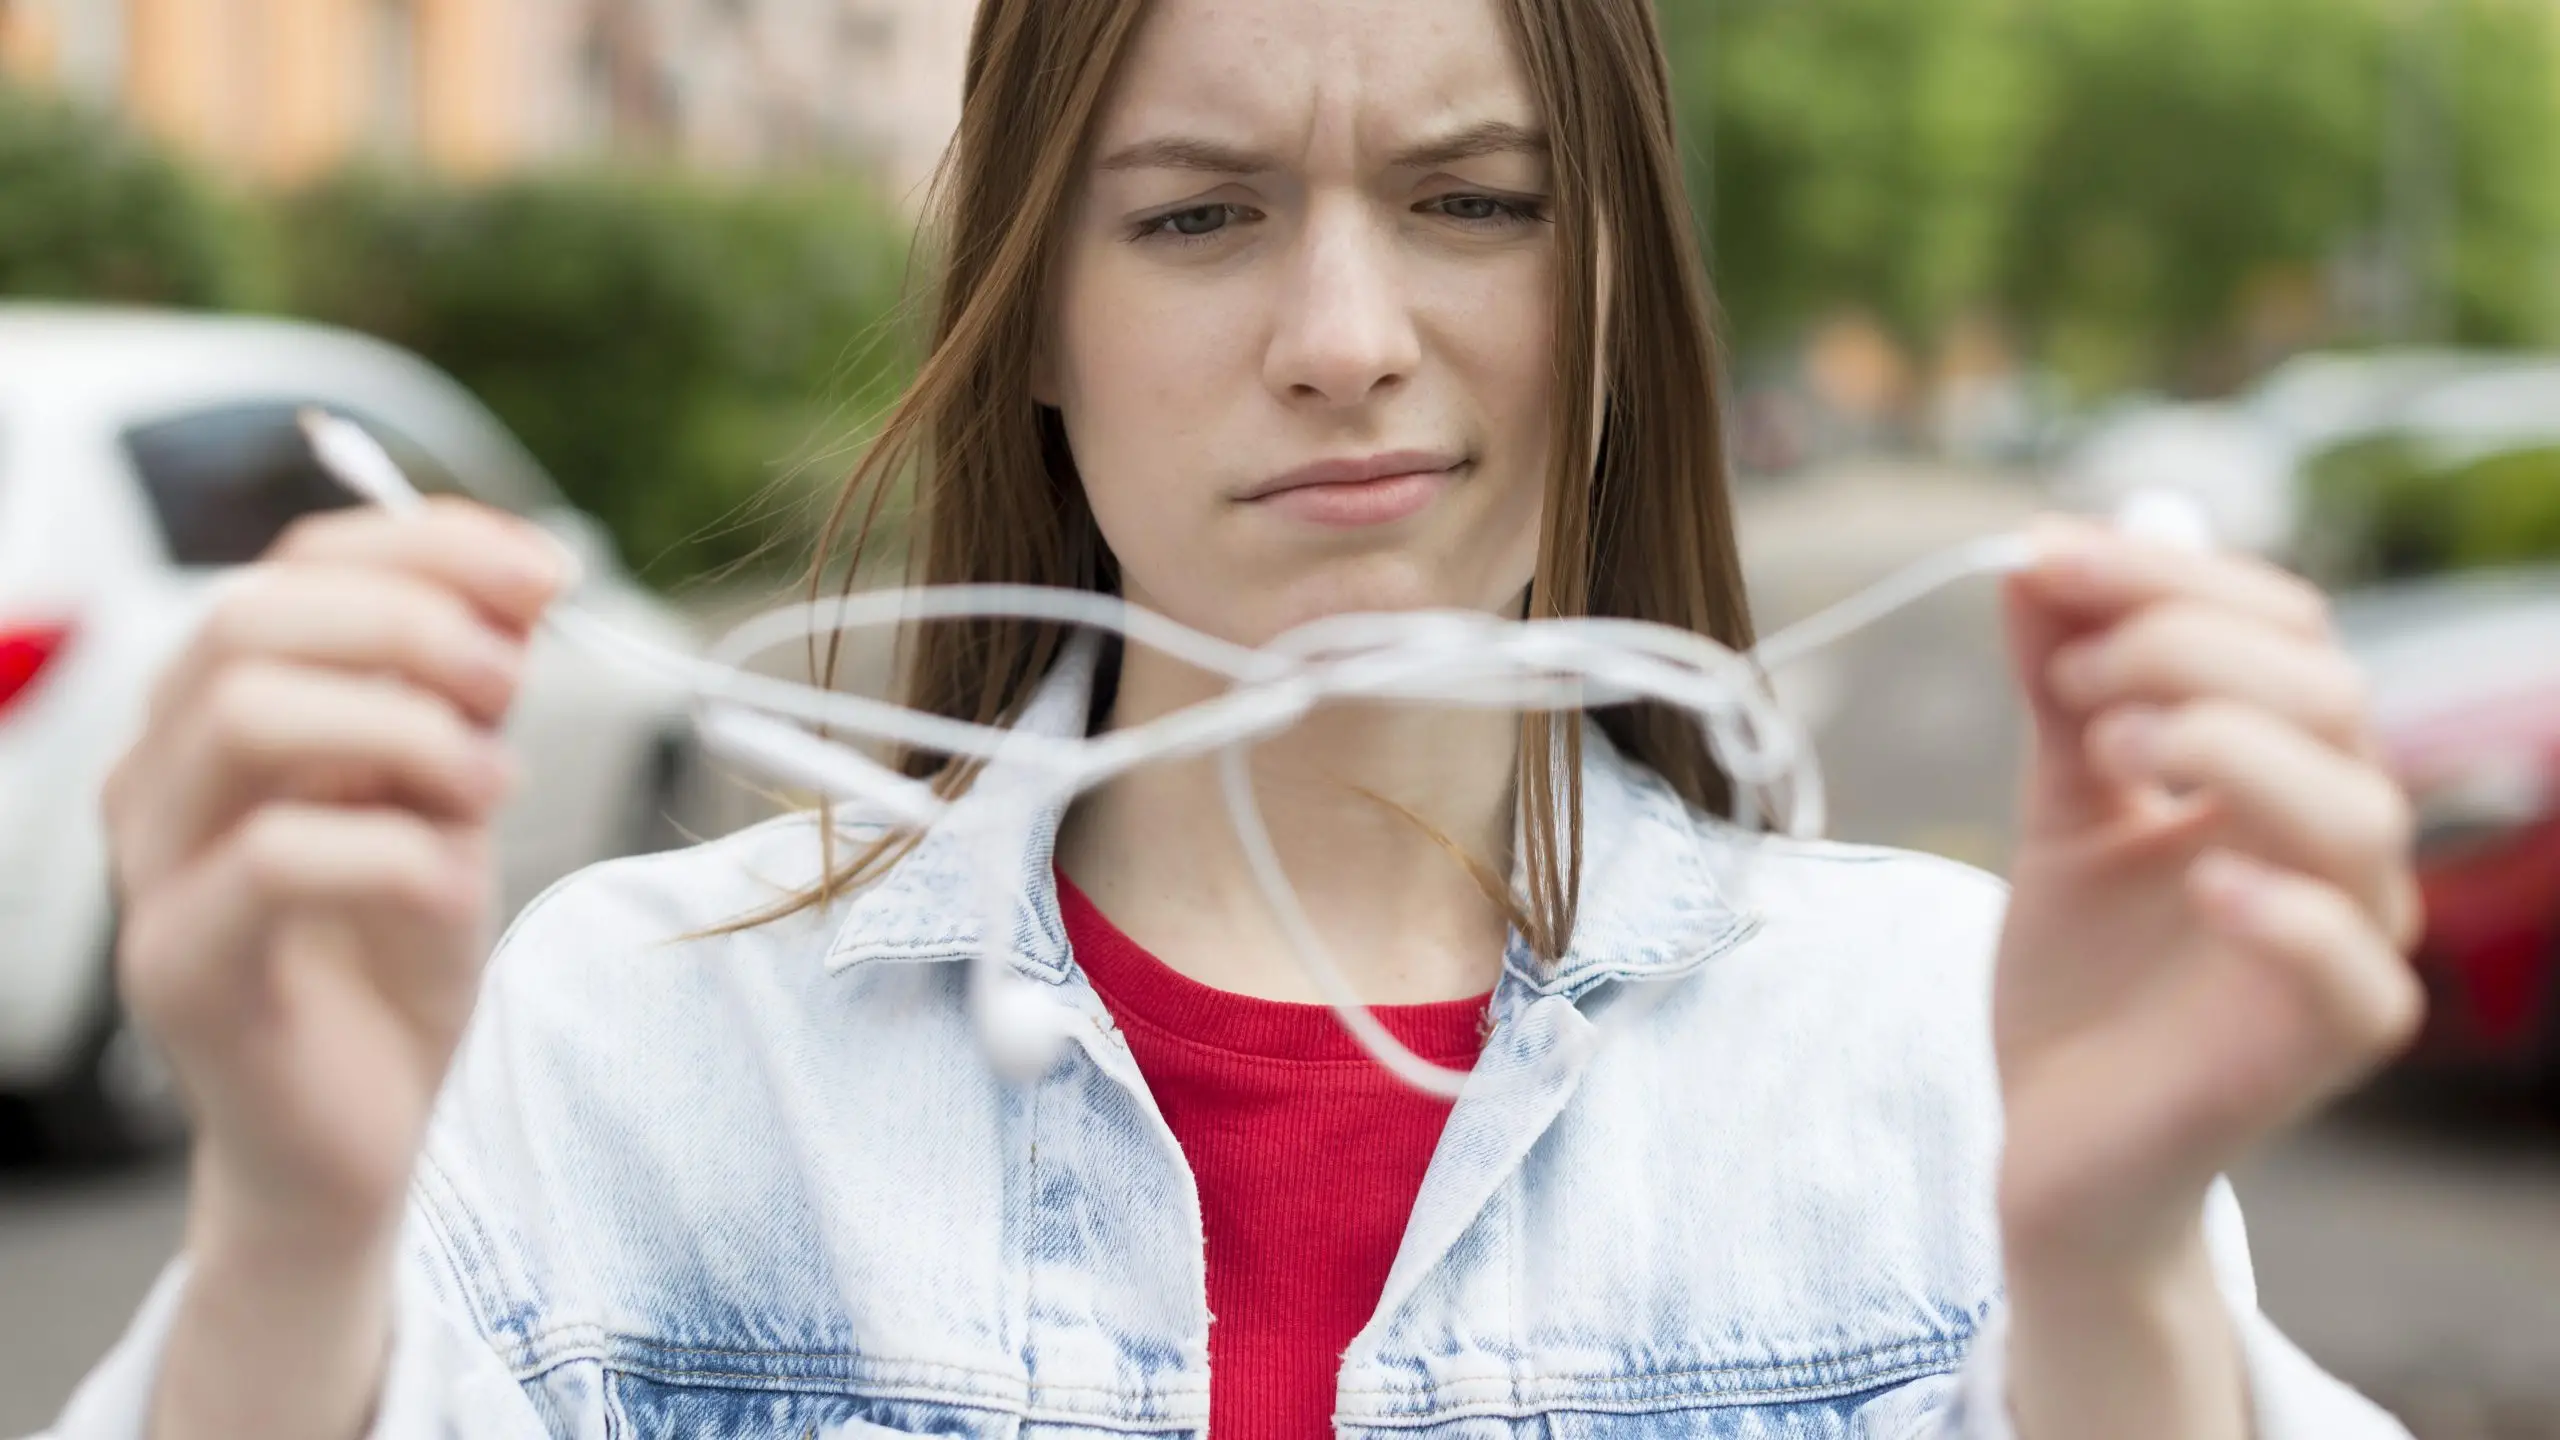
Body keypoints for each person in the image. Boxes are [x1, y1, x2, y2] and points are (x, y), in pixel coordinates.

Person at [49, 0, 2424, 1436]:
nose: (1343, 333)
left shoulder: (1950, 1048)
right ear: (1036, 319)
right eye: (1195, 216)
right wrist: (281, 1228)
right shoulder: (626, 1051)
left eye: (1473, 201)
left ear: (1616, 292)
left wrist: (2106, 1281)